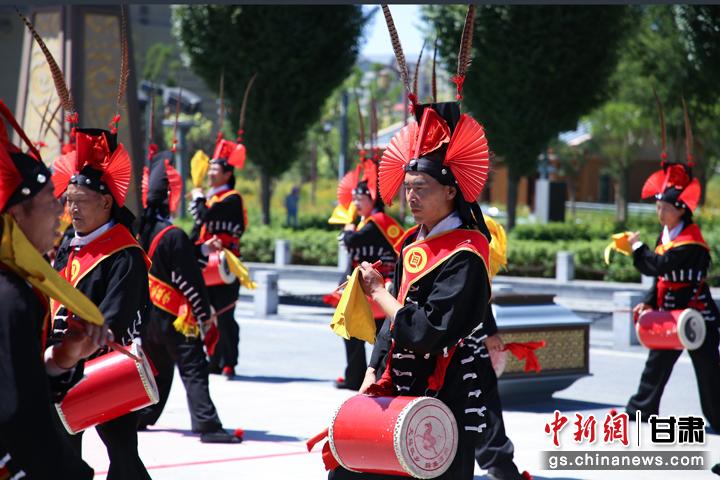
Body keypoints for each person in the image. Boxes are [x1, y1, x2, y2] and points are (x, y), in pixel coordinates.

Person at [0, 99, 114, 480]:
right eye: (51, 200)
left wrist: (63, 358)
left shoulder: (17, 286)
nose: (61, 213)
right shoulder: (10, 297)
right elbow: (19, 416)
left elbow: (19, 383)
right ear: (16, 215)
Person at [51, 126, 152, 480]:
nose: (72, 209)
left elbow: (115, 318)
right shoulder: (68, 243)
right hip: (60, 364)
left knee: (122, 453)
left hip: (103, 364)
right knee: (60, 454)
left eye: (80, 201)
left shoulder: (125, 254)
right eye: (69, 200)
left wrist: (75, 348)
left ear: (106, 202)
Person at [136, 151, 240, 444]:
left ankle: (142, 416)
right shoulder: (173, 234)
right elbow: (189, 280)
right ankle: (207, 424)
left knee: (157, 370)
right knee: (194, 368)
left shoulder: (142, 231)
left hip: (149, 317)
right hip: (175, 318)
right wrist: (204, 314)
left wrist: (201, 250)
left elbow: (169, 261)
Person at [624, 130, 720, 432]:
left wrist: (637, 248)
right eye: (658, 207)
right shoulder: (666, 236)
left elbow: (659, 265)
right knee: (657, 362)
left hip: (696, 313)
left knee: (708, 370)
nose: (660, 213)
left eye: (665, 208)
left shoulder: (692, 243)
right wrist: (649, 302)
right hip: (668, 310)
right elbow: (662, 278)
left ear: (681, 210)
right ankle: (640, 409)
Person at [328, 159, 403, 390]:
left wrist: (348, 229)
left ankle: (375, 378)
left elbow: (350, 241)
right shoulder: (367, 222)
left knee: (378, 337)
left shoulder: (376, 223)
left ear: (373, 198)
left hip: (379, 287)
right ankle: (357, 376)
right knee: (357, 333)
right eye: (354, 199)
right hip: (364, 287)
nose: (356, 204)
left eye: (360, 198)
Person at [189, 136, 247, 379]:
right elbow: (198, 229)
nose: (210, 173)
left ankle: (229, 361)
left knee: (224, 313)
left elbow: (205, 216)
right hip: (206, 262)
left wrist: (198, 198)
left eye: (215, 169)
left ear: (227, 174)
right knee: (206, 314)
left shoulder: (232, 198)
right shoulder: (211, 198)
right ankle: (213, 358)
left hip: (225, 263)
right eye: (210, 168)